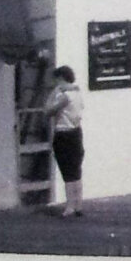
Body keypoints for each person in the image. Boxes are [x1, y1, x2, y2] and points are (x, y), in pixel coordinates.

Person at [43, 65, 84, 217]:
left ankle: (70, 205)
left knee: (67, 171)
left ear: (61, 78)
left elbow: (48, 111)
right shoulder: (78, 93)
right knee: (76, 170)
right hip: (76, 132)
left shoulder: (64, 96)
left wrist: (53, 94)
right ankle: (78, 204)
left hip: (63, 133)